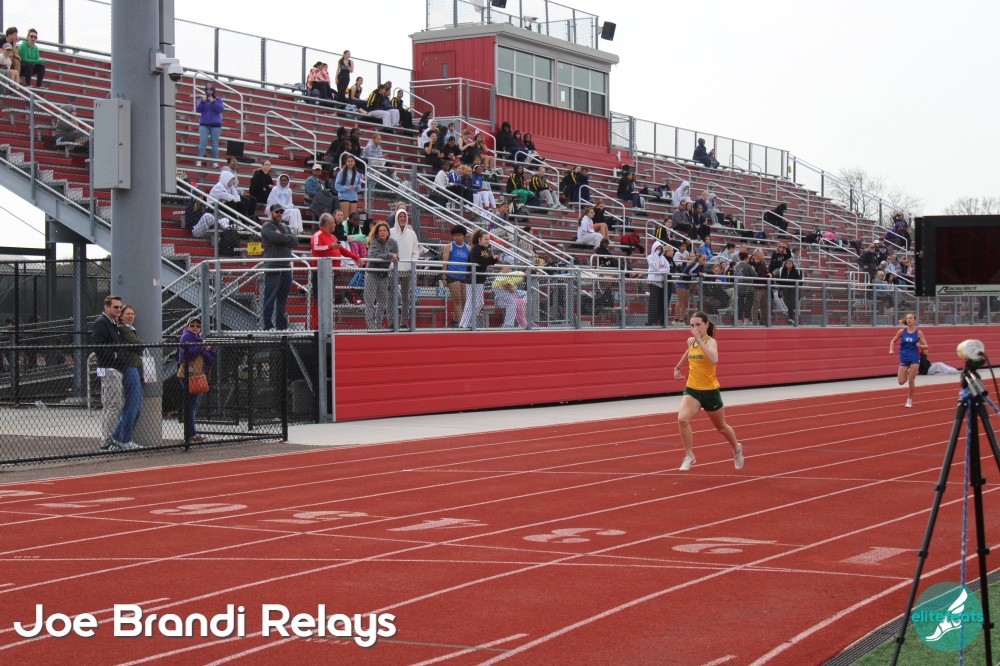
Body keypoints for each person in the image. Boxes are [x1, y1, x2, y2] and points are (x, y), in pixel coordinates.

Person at [673, 312, 745, 471]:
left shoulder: (711, 342)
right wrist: (678, 367)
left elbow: (714, 359)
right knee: (682, 419)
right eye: (692, 325)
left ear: (706, 325)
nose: (695, 328)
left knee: (721, 427)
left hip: (710, 391)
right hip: (692, 389)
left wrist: (699, 340)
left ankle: (736, 448)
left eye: (698, 325)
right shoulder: (691, 341)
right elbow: (688, 352)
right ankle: (689, 455)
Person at [310, 212, 359, 328]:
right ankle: (316, 325)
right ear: (327, 224)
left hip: (332, 273)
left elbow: (342, 250)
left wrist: (356, 257)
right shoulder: (317, 235)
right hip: (320, 273)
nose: (335, 225)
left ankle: (326, 323)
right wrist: (330, 246)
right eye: (333, 223)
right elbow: (316, 247)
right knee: (318, 298)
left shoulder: (333, 237)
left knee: (328, 298)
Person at [91, 295, 126, 450]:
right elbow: (97, 344)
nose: (119, 309)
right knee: (113, 405)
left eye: (120, 307)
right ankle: (108, 440)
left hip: (113, 368)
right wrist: (115, 355)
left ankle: (108, 439)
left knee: (112, 405)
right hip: (109, 368)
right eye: (115, 307)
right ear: (106, 307)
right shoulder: (102, 322)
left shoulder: (112, 322)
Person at [111, 305, 145, 450]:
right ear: (121, 316)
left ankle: (119, 437)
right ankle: (124, 439)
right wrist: (138, 346)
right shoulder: (122, 328)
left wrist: (138, 346)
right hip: (129, 366)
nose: (131, 316)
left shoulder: (131, 329)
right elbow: (138, 344)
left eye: (132, 314)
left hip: (136, 366)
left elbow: (138, 345)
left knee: (137, 407)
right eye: (128, 314)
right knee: (132, 405)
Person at [177, 318, 215, 443]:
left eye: (198, 326)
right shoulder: (186, 337)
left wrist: (205, 349)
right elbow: (188, 354)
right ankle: (190, 433)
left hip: (199, 375)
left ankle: (191, 432)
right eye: (192, 325)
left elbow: (211, 357)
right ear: (187, 326)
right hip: (189, 375)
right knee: (191, 405)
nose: (195, 327)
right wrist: (202, 347)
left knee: (194, 404)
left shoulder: (199, 339)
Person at [261, 206, 297, 330]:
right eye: (277, 212)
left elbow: (295, 241)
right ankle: (268, 326)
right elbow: (277, 238)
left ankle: (281, 326)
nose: (279, 214)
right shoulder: (267, 226)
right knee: (270, 298)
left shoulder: (285, 227)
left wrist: (285, 238)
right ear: (271, 213)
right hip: (273, 267)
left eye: (281, 212)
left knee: (282, 299)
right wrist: (287, 238)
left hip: (286, 267)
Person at [459, 230, 500, 328]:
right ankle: (463, 324)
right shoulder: (475, 248)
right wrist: (491, 259)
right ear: (480, 239)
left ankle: (470, 322)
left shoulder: (486, 249)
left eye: (489, 239)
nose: (487, 241)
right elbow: (480, 261)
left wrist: (494, 259)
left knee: (480, 302)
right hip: (472, 278)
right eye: (485, 239)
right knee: (471, 301)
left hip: (480, 279)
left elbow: (486, 261)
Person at [889, 313, 929, 408]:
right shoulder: (902, 331)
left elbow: (926, 346)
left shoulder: (918, 333)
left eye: (911, 318)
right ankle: (908, 373)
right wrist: (891, 349)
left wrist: (920, 346)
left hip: (914, 358)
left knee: (911, 380)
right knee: (901, 381)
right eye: (907, 318)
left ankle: (909, 400)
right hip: (904, 358)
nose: (909, 320)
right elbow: (893, 341)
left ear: (915, 320)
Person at [364, 221, 399, 329]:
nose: (382, 232)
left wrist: (392, 256)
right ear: (377, 232)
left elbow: (397, 256)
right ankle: (370, 326)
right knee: (369, 301)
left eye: (384, 230)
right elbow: (373, 255)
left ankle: (378, 325)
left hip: (384, 275)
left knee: (382, 302)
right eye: (380, 231)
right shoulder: (374, 242)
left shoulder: (393, 243)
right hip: (372, 273)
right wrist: (389, 256)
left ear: (388, 232)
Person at [390, 209, 420, 329]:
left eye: (404, 216)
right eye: (400, 216)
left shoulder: (412, 234)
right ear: (397, 218)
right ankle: (392, 322)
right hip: (393, 270)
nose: (402, 218)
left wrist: (413, 262)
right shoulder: (390, 232)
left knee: (406, 297)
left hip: (407, 270)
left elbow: (415, 251)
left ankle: (404, 322)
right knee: (391, 297)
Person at [441, 225, 470, 328]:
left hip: (464, 276)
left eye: (459, 235)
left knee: (465, 300)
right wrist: (444, 277)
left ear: (463, 236)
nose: (457, 237)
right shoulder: (449, 247)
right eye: (455, 235)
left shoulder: (468, 248)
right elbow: (445, 262)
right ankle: (462, 324)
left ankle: (455, 319)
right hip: (452, 275)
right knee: (458, 300)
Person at [195, 84, 225, 163]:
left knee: (214, 144)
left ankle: (215, 162)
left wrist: (213, 102)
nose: (209, 91)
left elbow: (220, 109)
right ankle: (199, 161)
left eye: (210, 89)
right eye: (207, 89)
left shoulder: (218, 99)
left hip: (216, 125)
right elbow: (198, 109)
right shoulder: (202, 99)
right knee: (203, 142)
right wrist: (202, 101)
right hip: (204, 124)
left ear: (213, 90)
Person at [646, 241, 670, 326]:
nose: (658, 250)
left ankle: (657, 320)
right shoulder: (650, 257)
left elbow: (668, 269)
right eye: (657, 248)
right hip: (653, 282)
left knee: (660, 302)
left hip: (661, 283)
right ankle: (650, 321)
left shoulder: (663, 258)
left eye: (660, 248)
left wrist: (659, 271)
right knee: (653, 302)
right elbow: (655, 267)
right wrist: (656, 256)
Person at [774, 258, 802, 325]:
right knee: (788, 304)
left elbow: (800, 282)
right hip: (786, 291)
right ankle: (791, 318)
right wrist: (779, 291)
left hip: (793, 291)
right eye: (788, 263)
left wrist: (800, 276)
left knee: (792, 304)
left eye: (790, 263)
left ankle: (791, 318)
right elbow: (781, 282)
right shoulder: (783, 272)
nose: (789, 264)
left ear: (792, 265)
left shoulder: (795, 272)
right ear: (785, 265)